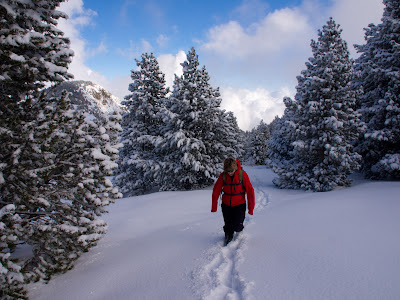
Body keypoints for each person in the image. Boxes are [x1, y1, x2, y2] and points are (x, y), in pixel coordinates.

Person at [211, 158, 255, 246]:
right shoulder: (223, 176)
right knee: (228, 223)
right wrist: (214, 206)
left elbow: (250, 191)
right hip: (226, 204)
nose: (230, 173)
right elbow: (216, 190)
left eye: (231, 171)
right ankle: (228, 235)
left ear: (235, 168)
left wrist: (251, 208)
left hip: (239, 204)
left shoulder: (242, 175)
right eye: (228, 171)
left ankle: (239, 232)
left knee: (238, 224)